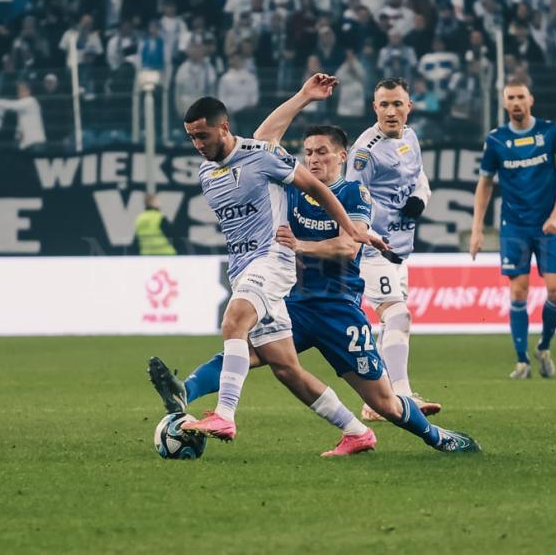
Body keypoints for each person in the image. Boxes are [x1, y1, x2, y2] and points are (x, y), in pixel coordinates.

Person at [148, 75, 480, 455]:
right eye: (308, 152)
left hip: (339, 309)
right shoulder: (284, 183)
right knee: (261, 356)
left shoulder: (353, 192)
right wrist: (303, 97)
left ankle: (437, 437)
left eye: (322, 151)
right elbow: (259, 141)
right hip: (297, 303)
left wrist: (299, 246)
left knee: (384, 402)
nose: (314, 158)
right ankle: (184, 393)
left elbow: (347, 248)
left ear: (342, 156)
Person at [168, 94, 388, 446]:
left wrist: (351, 229)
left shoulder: (262, 155)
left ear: (223, 128)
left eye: (203, 136)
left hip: (273, 260)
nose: (197, 144)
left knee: (233, 322)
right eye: (191, 137)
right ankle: (357, 432)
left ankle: (224, 415)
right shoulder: (207, 172)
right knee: (285, 367)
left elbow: (315, 186)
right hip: (242, 268)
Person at [347, 77, 440, 421]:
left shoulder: (410, 137)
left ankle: (375, 403)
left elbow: (418, 176)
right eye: (384, 104)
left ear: (409, 107)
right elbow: (351, 201)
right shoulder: (364, 152)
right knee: (398, 315)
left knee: (391, 326)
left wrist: (420, 197)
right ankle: (401, 396)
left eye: (397, 104)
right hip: (374, 250)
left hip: (401, 250)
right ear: (374, 108)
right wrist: (367, 235)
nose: (390, 111)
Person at [470, 78, 556, 380]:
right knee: (518, 290)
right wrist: (477, 229)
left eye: (520, 97)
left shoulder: (551, 132)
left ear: (531, 100)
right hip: (514, 224)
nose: (515, 102)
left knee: (555, 290)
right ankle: (521, 360)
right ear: (504, 103)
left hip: (548, 224)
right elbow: (485, 183)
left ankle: (544, 346)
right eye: (510, 98)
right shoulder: (497, 140)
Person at [0, 81, 46, 151]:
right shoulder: (21, 107)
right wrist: (18, 136)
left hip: (36, 143)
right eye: (19, 90)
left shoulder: (31, 101)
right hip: (26, 145)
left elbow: (11, 105)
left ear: (29, 91)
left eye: (22, 90)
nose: (19, 92)